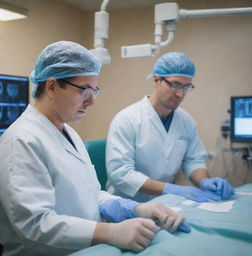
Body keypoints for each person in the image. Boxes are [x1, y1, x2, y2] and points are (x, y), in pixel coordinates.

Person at [0, 42, 190, 256]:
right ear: (51, 86)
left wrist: (136, 209)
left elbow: (91, 194)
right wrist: (108, 232)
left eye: (95, 91)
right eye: (84, 90)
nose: (91, 101)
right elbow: (35, 224)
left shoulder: (68, 133)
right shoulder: (21, 142)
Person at [106, 52, 234, 203]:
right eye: (174, 84)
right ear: (156, 80)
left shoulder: (185, 121)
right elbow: (120, 174)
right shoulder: (127, 119)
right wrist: (171, 188)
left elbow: (193, 160)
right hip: (127, 205)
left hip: (166, 203)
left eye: (186, 87)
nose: (180, 94)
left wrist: (204, 182)